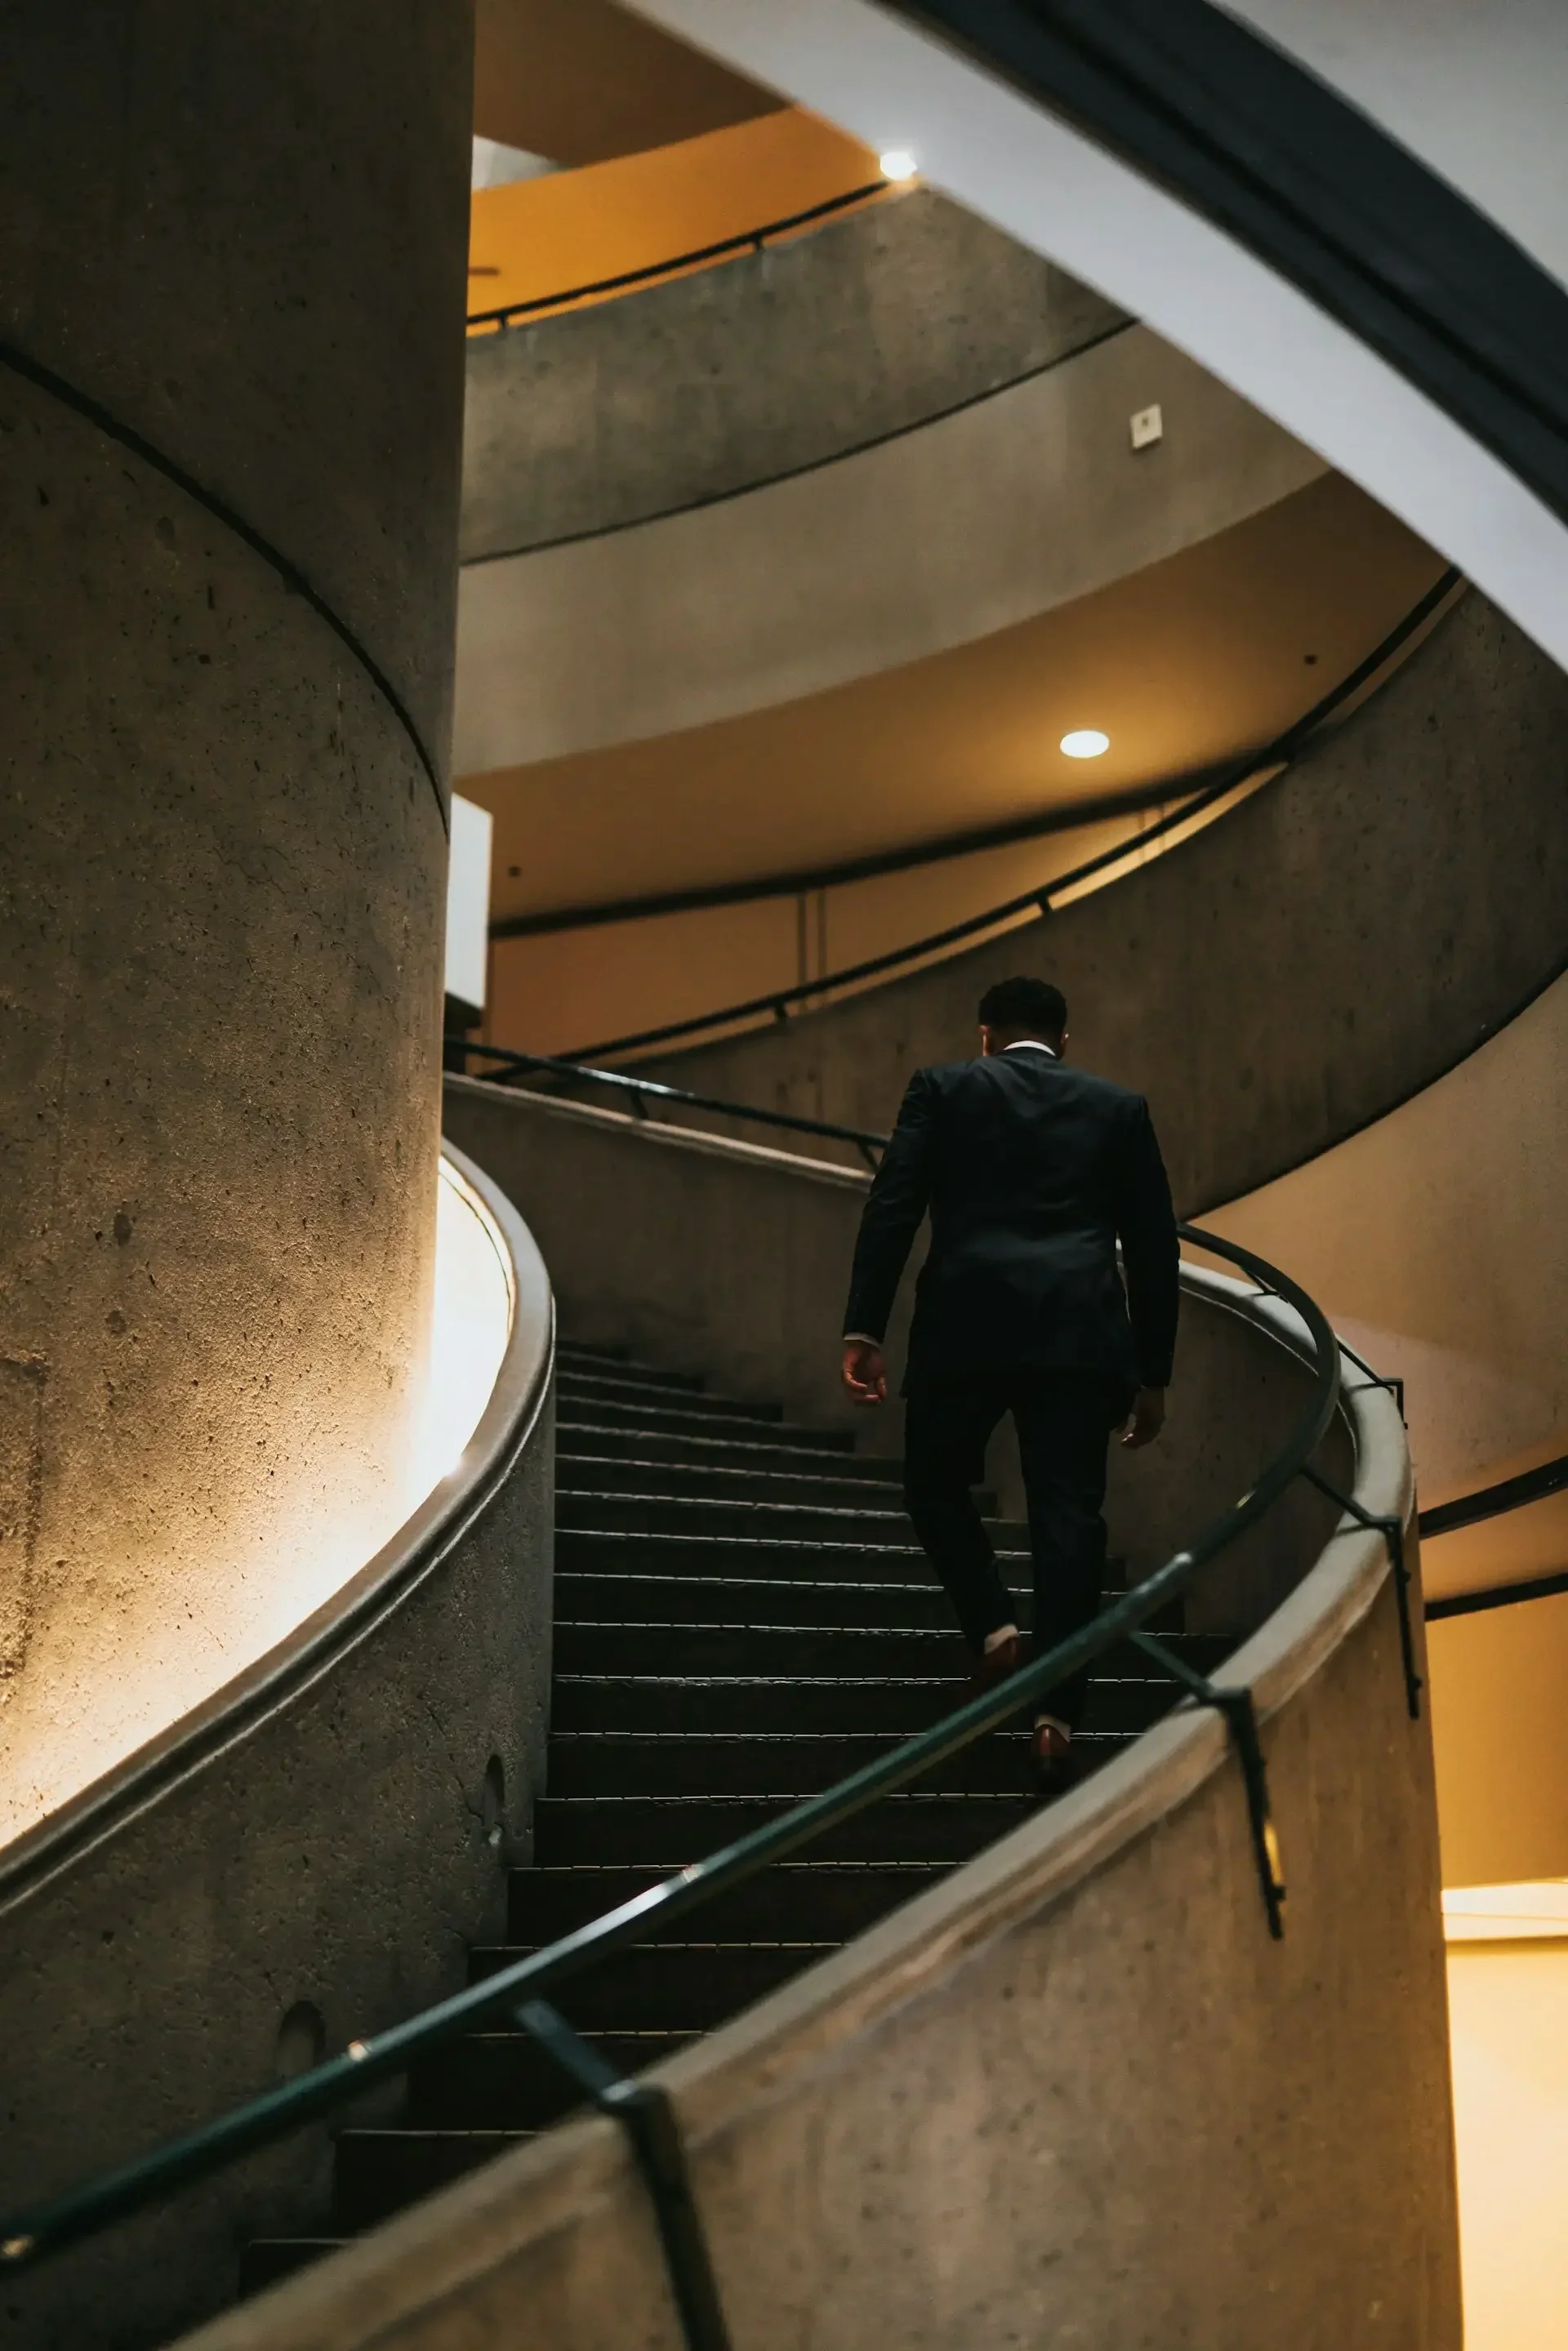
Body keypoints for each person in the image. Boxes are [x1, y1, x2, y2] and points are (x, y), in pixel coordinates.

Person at [840, 975, 1178, 1791]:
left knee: (933, 1483)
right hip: (1080, 1334)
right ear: (1064, 1042)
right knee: (1069, 1517)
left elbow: (894, 1203)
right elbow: (1155, 1244)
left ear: (985, 1034)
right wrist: (1152, 1373)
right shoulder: (1119, 1107)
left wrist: (864, 1325)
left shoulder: (943, 1087)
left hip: (966, 1325)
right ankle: (1056, 1722)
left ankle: (997, 1635)